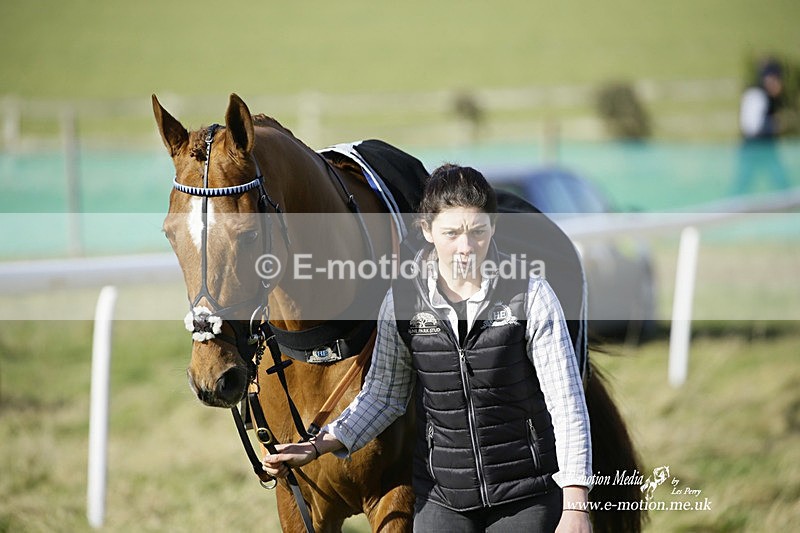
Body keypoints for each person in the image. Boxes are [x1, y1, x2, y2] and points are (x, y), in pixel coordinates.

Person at [263, 164, 593, 532]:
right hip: (443, 498)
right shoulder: (401, 302)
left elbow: (566, 403)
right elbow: (383, 396)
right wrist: (317, 445)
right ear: (426, 230)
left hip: (526, 494)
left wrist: (576, 506)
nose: (466, 247)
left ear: (493, 227)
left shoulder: (532, 295)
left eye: (478, 232)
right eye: (451, 233)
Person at [733, 58, 791, 195]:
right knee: (742, 184)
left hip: (765, 148)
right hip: (753, 148)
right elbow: (750, 126)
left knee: (781, 182)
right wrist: (773, 125)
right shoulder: (756, 94)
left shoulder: (769, 97)